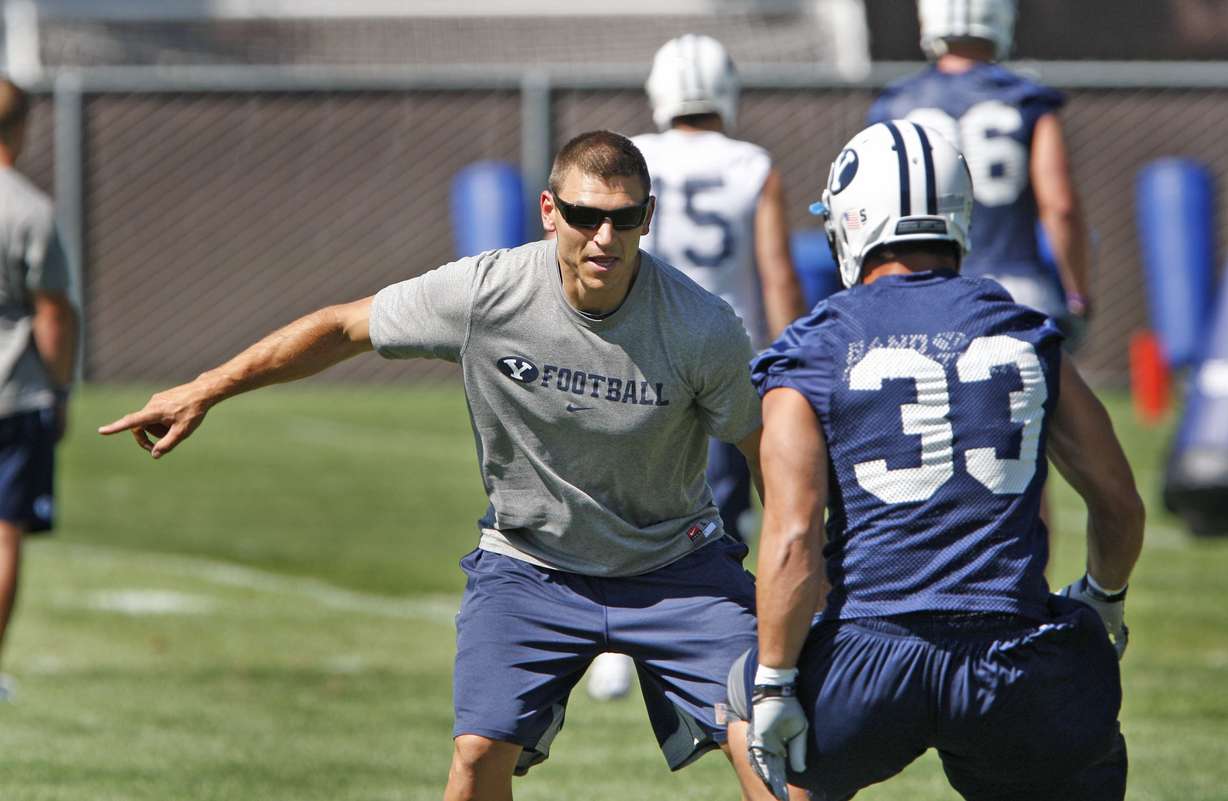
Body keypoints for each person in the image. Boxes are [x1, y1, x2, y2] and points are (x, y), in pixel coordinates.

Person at [100, 130, 778, 801]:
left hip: (674, 569)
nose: (605, 237)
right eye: (584, 216)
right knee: (477, 753)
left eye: (625, 218)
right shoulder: (488, 292)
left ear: (647, 218)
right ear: (549, 212)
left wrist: (798, 572)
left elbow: (768, 453)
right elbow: (341, 327)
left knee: (771, 747)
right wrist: (204, 389)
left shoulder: (700, 326)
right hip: (530, 564)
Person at [725, 121, 1144, 801]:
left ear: (855, 220)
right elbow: (1119, 503)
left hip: (870, 653)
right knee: (1079, 738)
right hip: (1012, 655)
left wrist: (773, 680)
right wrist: (1103, 599)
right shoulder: (1025, 332)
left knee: (752, 717)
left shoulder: (812, 349)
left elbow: (793, 534)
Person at [586, 32, 808, 703]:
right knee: (719, 506)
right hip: (724, 348)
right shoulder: (752, 163)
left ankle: (614, 642)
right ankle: (708, 632)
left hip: (638, 340)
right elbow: (775, 271)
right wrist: (792, 352)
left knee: (625, 493)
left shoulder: (636, 155)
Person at [867, 0, 1093, 342]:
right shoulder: (1025, 99)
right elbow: (1059, 207)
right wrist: (1077, 295)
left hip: (926, 292)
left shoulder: (894, 103)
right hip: (1016, 290)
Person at [0, 78, 78, 702]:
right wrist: (60, 391)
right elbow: (52, 313)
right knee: (4, 535)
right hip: (13, 394)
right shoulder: (28, 209)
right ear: (22, 127)